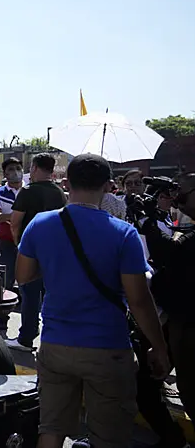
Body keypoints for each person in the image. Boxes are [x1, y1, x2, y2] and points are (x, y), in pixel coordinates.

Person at [16, 154, 170, 448]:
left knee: (50, 430)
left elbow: (24, 277)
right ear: (110, 186)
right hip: (107, 349)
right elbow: (138, 300)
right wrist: (159, 348)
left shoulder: (40, 224)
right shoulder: (124, 234)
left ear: (66, 183)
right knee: (109, 437)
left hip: (55, 345)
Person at [139, 173, 195, 424]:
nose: (177, 197)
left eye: (183, 191)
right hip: (180, 318)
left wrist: (148, 221)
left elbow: (171, 254)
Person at [8, 153, 67, 351]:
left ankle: (26, 337)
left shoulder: (27, 191)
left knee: (30, 294)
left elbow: (15, 222)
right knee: (52, 295)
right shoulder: (59, 192)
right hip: (56, 251)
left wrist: (18, 244)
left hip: (31, 250)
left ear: (34, 168)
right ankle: (53, 337)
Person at [0, 157, 23, 332]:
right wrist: (20, 215)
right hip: (7, 243)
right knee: (6, 282)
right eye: (11, 169)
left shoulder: (29, 192)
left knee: (28, 283)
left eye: (18, 168)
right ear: (5, 173)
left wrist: (10, 215)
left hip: (27, 243)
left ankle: (29, 323)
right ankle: (2, 320)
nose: (15, 172)